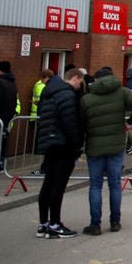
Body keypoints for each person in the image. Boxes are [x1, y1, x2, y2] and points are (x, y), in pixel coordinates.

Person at [80, 66, 132, 235]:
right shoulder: (122, 92)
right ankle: (115, 221)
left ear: (96, 80)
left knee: (95, 186)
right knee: (115, 184)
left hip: (94, 144)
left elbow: (80, 121)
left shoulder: (87, 98)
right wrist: (131, 122)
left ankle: (95, 224)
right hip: (116, 143)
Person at [35, 67, 85, 239]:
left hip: (49, 142)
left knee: (48, 182)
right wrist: (78, 144)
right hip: (63, 144)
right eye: (80, 82)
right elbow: (70, 122)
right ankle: (55, 224)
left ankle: (43, 223)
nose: (80, 85)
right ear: (75, 78)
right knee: (58, 184)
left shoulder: (50, 93)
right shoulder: (68, 95)